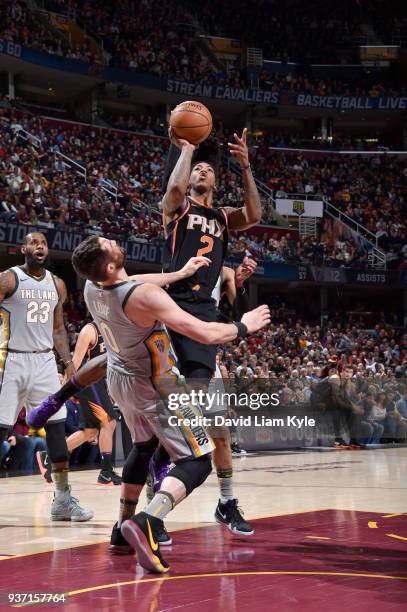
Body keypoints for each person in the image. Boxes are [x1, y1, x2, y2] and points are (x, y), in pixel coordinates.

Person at [30, 235, 270, 573]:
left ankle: (121, 529)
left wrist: (177, 274)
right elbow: (204, 333)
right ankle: (148, 520)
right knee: (198, 460)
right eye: (109, 243)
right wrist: (245, 325)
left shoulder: (93, 289)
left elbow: (133, 281)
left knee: (143, 448)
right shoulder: (144, 297)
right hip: (156, 384)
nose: (113, 240)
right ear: (111, 264)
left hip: (120, 379)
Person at [158, 127, 262, 534]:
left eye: (206, 168)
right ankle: (152, 507)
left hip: (206, 319)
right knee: (165, 426)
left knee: (218, 427)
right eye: (196, 168)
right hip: (171, 312)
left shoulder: (221, 216)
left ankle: (226, 500)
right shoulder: (177, 209)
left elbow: (253, 215)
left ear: (217, 182)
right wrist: (186, 148)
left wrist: (245, 166)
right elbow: (172, 191)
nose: (201, 170)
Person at [0, 232, 93, 521]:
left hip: (44, 362)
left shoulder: (58, 284)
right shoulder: (8, 279)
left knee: (57, 426)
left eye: (43, 243)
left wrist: (67, 362)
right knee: (1, 431)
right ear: (23, 249)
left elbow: (57, 329)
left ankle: (62, 499)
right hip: (12, 359)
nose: (39, 246)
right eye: (33, 242)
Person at [37, 321, 122, 485]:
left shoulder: (113, 328)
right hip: (88, 380)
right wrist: (62, 393)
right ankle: (106, 473)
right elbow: (74, 363)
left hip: (100, 382)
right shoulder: (89, 330)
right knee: (109, 423)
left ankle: (48, 457)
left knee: (90, 432)